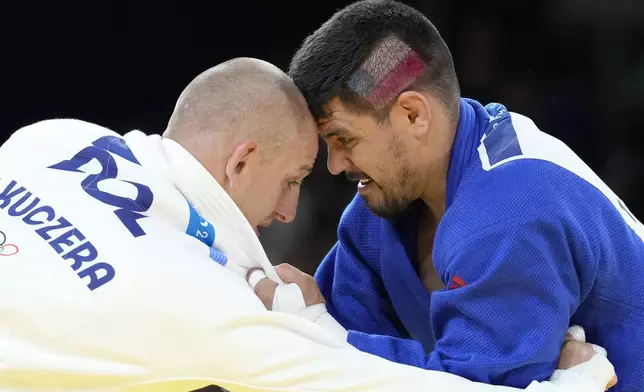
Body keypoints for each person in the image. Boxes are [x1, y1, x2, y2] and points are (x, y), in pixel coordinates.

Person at [0, 57, 615, 391]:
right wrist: (576, 384)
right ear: (241, 161)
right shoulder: (196, 306)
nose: (290, 212)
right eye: (294, 178)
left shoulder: (50, 139)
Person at [285, 0, 643, 391]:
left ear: (413, 115)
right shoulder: (379, 212)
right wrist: (310, 329)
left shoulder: (512, 206)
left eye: (344, 139)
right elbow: (324, 358)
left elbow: (469, 387)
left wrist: (316, 332)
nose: (334, 165)